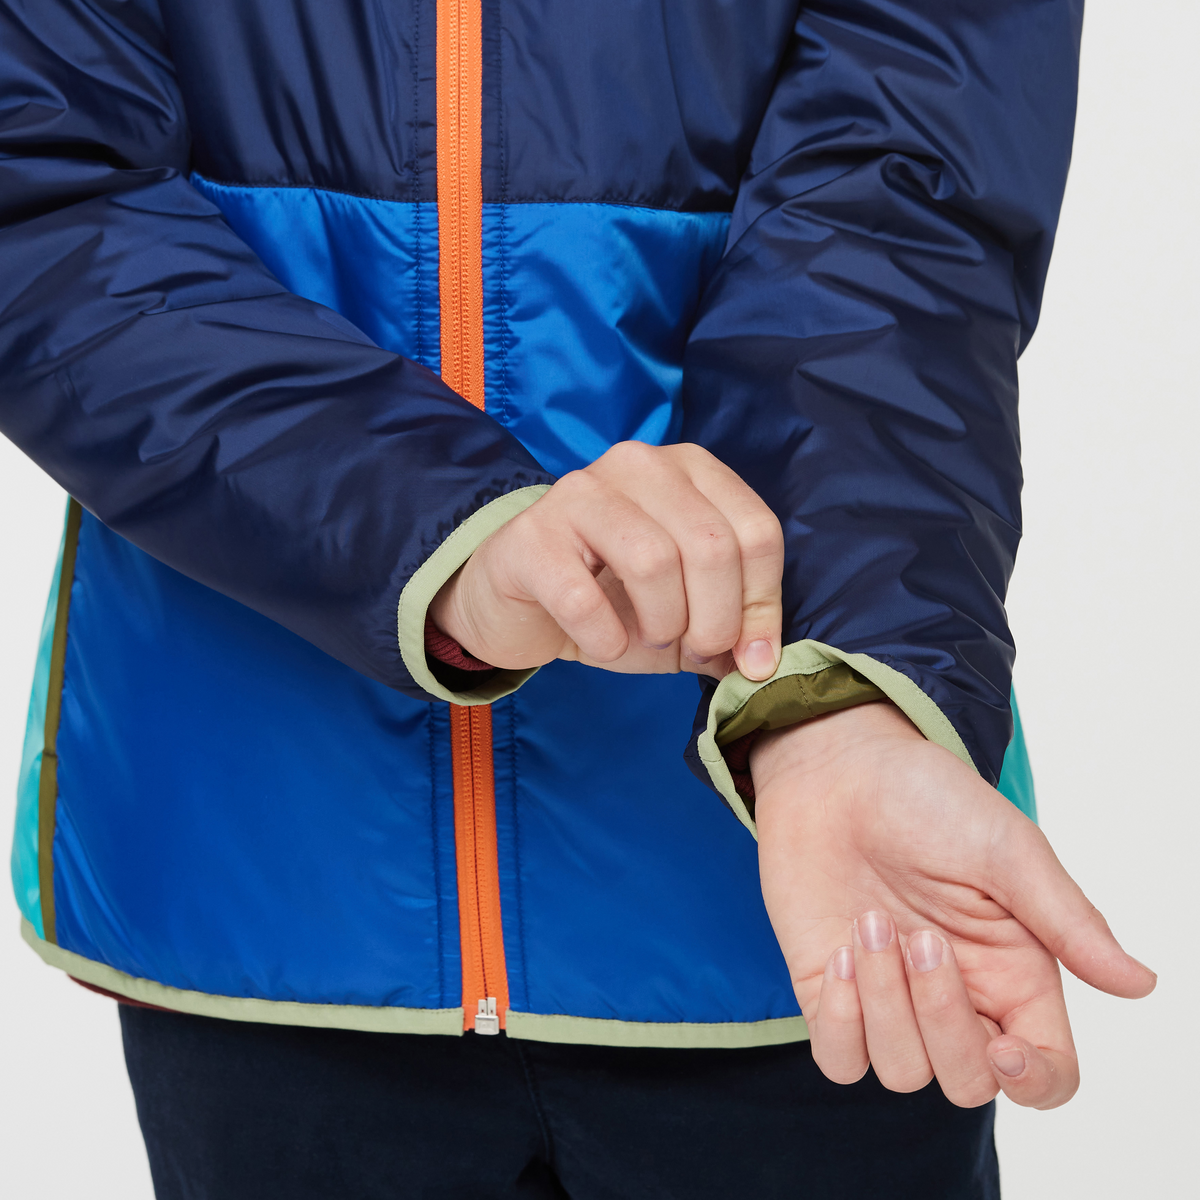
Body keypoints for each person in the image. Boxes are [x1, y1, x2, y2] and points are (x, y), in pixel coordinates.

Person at [0, 1, 1154, 1197]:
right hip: (265, 857)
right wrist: (439, 534)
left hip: (806, 889)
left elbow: (906, 209)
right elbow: (39, 189)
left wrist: (832, 704)